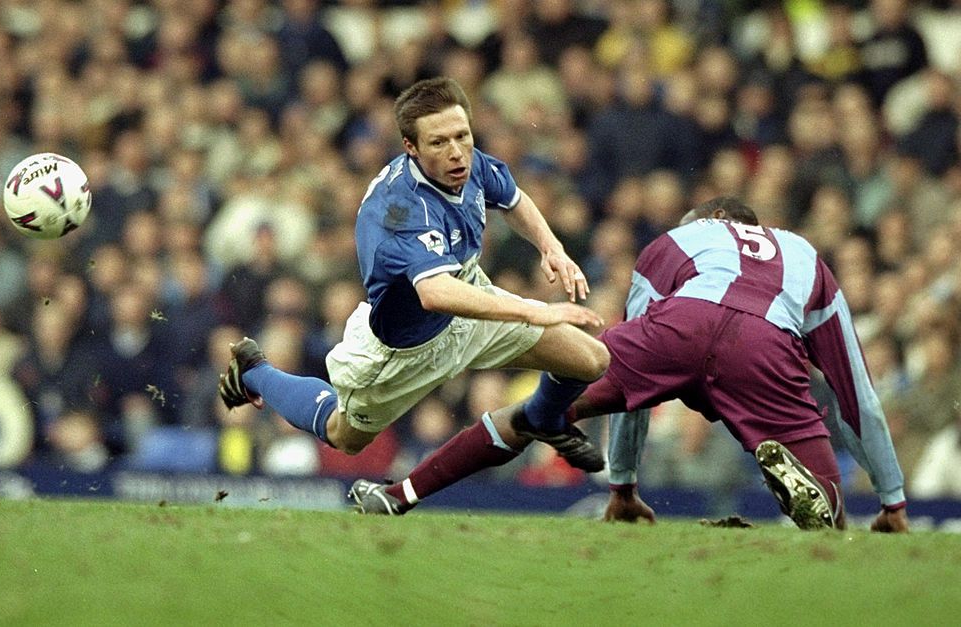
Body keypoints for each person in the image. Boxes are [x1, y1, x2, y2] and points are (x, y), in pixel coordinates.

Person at [354, 197, 909, 533]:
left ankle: (399, 495)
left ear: (715, 219)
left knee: (530, 414)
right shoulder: (808, 257)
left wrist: (622, 485)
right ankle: (819, 495)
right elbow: (856, 394)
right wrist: (891, 499)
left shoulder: (677, 239)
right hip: (763, 350)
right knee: (829, 511)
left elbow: (631, 391)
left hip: (680, 326)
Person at [218, 77, 610, 485]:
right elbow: (435, 293)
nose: (456, 152)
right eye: (439, 143)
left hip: (469, 302)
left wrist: (551, 247)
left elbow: (511, 197)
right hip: (404, 347)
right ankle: (253, 370)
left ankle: (543, 420)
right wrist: (536, 310)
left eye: (463, 136)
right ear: (411, 147)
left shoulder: (468, 162)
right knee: (343, 435)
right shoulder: (401, 209)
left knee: (591, 361)